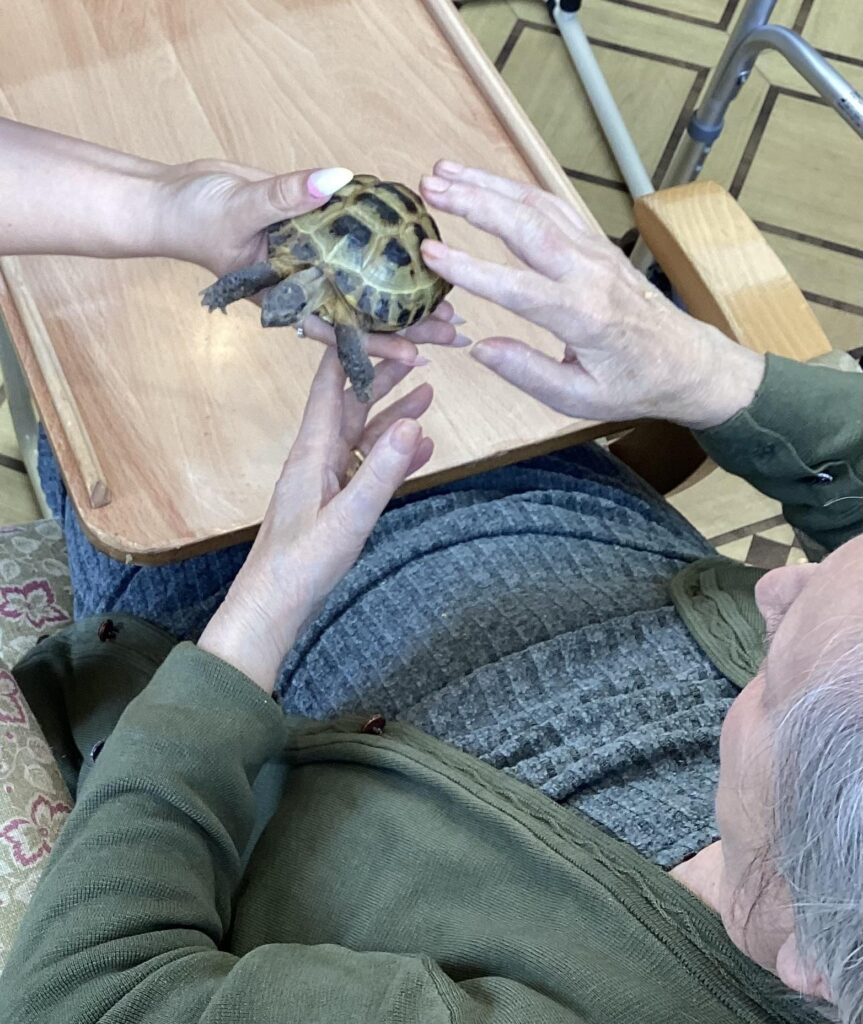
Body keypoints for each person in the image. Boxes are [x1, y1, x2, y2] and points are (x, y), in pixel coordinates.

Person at [0, 124, 860, 1023]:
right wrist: (692, 368)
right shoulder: (815, 856)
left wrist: (265, 601)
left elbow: (83, 1000)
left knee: (71, 322)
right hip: (527, 467)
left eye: (773, 680)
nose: (773, 582)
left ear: (808, 954)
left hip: (221, 624)